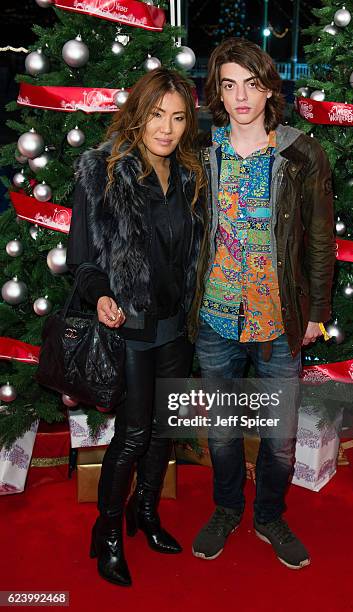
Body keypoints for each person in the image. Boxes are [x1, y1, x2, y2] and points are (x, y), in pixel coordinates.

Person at [192, 38, 336, 569]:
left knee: (279, 438)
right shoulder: (201, 151)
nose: (241, 96)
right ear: (218, 93)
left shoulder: (302, 153)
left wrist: (317, 314)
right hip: (215, 318)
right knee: (222, 432)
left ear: (269, 87)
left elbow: (320, 241)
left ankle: (270, 516)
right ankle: (227, 509)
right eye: (229, 85)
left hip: (280, 319)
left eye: (251, 83)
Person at [66, 68, 208, 587]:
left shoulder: (190, 173)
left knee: (164, 432)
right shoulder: (101, 171)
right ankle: (105, 532)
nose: (166, 129)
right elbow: (80, 257)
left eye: (177, 117)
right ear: (137, 114)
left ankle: (144, 512)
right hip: (129, 325)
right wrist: (101, 294)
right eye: (155, 115)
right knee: (133, 434)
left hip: (177, 325)